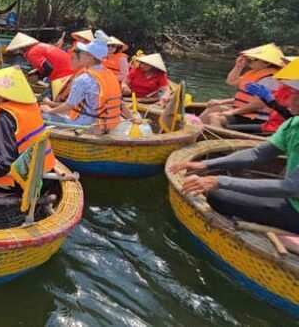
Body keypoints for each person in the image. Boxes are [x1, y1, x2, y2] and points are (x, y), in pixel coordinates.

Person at [169, 72, 299, 234]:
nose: (292, 99)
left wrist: (219, 180)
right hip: (291, 198)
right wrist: (206, 164)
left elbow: (291, 187)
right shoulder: (294, 124)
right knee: (223, 188)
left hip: (295, 208)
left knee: (218, 196)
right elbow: (258, 154)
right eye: (294, 93)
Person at [41, 30, 141, 132]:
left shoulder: (83, 79)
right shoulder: (109, 74)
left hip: (84, 126)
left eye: (83, 53)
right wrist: (132, 119)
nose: (79, 55)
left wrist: (50, 110)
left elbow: (68, 106)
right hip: (105, 126)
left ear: (90, 58)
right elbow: (120, 103)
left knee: (42, 115)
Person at [199, 44, 284, 128]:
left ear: (267, 63)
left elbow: (257, 105)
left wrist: (233, 112)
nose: (248, 61)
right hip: (244, 113)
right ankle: (194, 130)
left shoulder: (270, 79)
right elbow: (231, 81)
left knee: (215, 117)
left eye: (252, 59)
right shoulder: (253, 73)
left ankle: (215, 140)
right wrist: (238, 66)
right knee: (215, 107)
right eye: (248, 59)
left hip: (256, 118)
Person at [5, 32, 73, 82]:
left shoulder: (32, 53)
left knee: (45, 97)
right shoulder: (40, 46)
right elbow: (48, 64)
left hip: (63, 75)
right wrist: (36, 72)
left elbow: (49, 68)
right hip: (71, 70)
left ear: (23, 48)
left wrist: (39, 77)